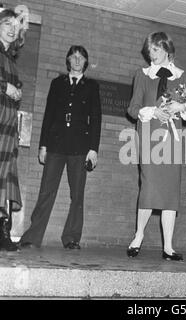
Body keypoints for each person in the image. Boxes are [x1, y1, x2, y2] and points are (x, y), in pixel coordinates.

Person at [19, 45, 102, 249]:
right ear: (68, 60)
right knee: (46, 191)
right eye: (73, 57)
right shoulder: (57, 83)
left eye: (81, 57)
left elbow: (96, 119)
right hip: (55, 145)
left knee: (77, 196)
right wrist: (43, 145)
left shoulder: (92, 86)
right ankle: (32, 237)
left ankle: (71, 238)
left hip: (80, 148)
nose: (76, 60)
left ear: (85, 62)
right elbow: (49, 115)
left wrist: (93, 149)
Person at [127, 32, 186, 261]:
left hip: (173, 141)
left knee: (169, 193)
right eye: (149, 50)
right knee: (148, 188)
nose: (150, 54)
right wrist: (152, 111)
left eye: (154, 50)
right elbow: (132, 109)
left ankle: (168, 247)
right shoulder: (142, 75)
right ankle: (138, 236)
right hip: (150, 138)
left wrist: (181, 107)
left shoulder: (182, 76)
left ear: (166, 48)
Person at [0, 8, 27, 251]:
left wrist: (15, 90)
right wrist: (5, 86)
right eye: (6, 23)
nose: (11, 28)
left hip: (7, 126)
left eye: (14, 26)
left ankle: (2, 230)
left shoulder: (9, 57)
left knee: (4, 176)